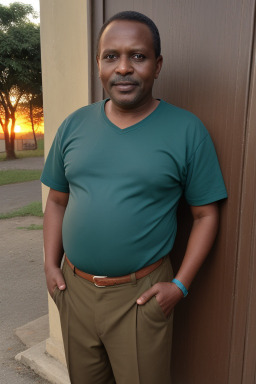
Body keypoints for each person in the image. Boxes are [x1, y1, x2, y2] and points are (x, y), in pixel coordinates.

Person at [41, 10, 227, 384]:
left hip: (140, 297)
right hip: (74, 291)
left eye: (137, 56)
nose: (123, 68)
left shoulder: (187, 131)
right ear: (98, 65)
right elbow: (57, 200)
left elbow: (206, 216)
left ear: (157, 65)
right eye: (111, 56)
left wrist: (180, 285)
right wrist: (49, 264)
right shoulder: (74, 125)